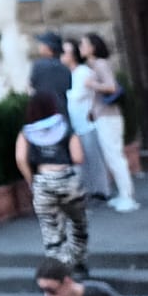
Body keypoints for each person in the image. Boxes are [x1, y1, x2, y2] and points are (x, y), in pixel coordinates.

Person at [18, 88, 89, 274]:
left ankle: (60, 273)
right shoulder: (65, 127)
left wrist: (31, 180)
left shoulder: (26, 133)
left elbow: (20, 158)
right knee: (78, 223)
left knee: (51, 230)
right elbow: (78, 157)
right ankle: (78, 263)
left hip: (43, 182)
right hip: (68, 180)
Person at [79, 33, 139, 212]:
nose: (81, 48)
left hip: (108, 116)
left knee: (114, 155)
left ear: (93, 48)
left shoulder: (100, 64)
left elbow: (111, 86)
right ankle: (124, 193)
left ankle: (127, 196)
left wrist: (91, 84)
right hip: (104, 115)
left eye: (84, 44)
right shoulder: (96, 65)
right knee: (112, 155)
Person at [66, 41, 116, 204]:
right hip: (76, 123)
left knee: (94, 156)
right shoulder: (69, 74)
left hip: (87, 122)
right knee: (82, 158)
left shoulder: (83, 72)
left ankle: (102, 190)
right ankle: (89, 189)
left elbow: (77, 95)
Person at [30, 29, 73, 104]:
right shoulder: (65, 67)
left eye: (42, 44)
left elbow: (33, 85)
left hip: (45, 110)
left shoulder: (39, 65)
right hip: (62, 109)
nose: (39, 46)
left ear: (48, 48)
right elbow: (68, 87)